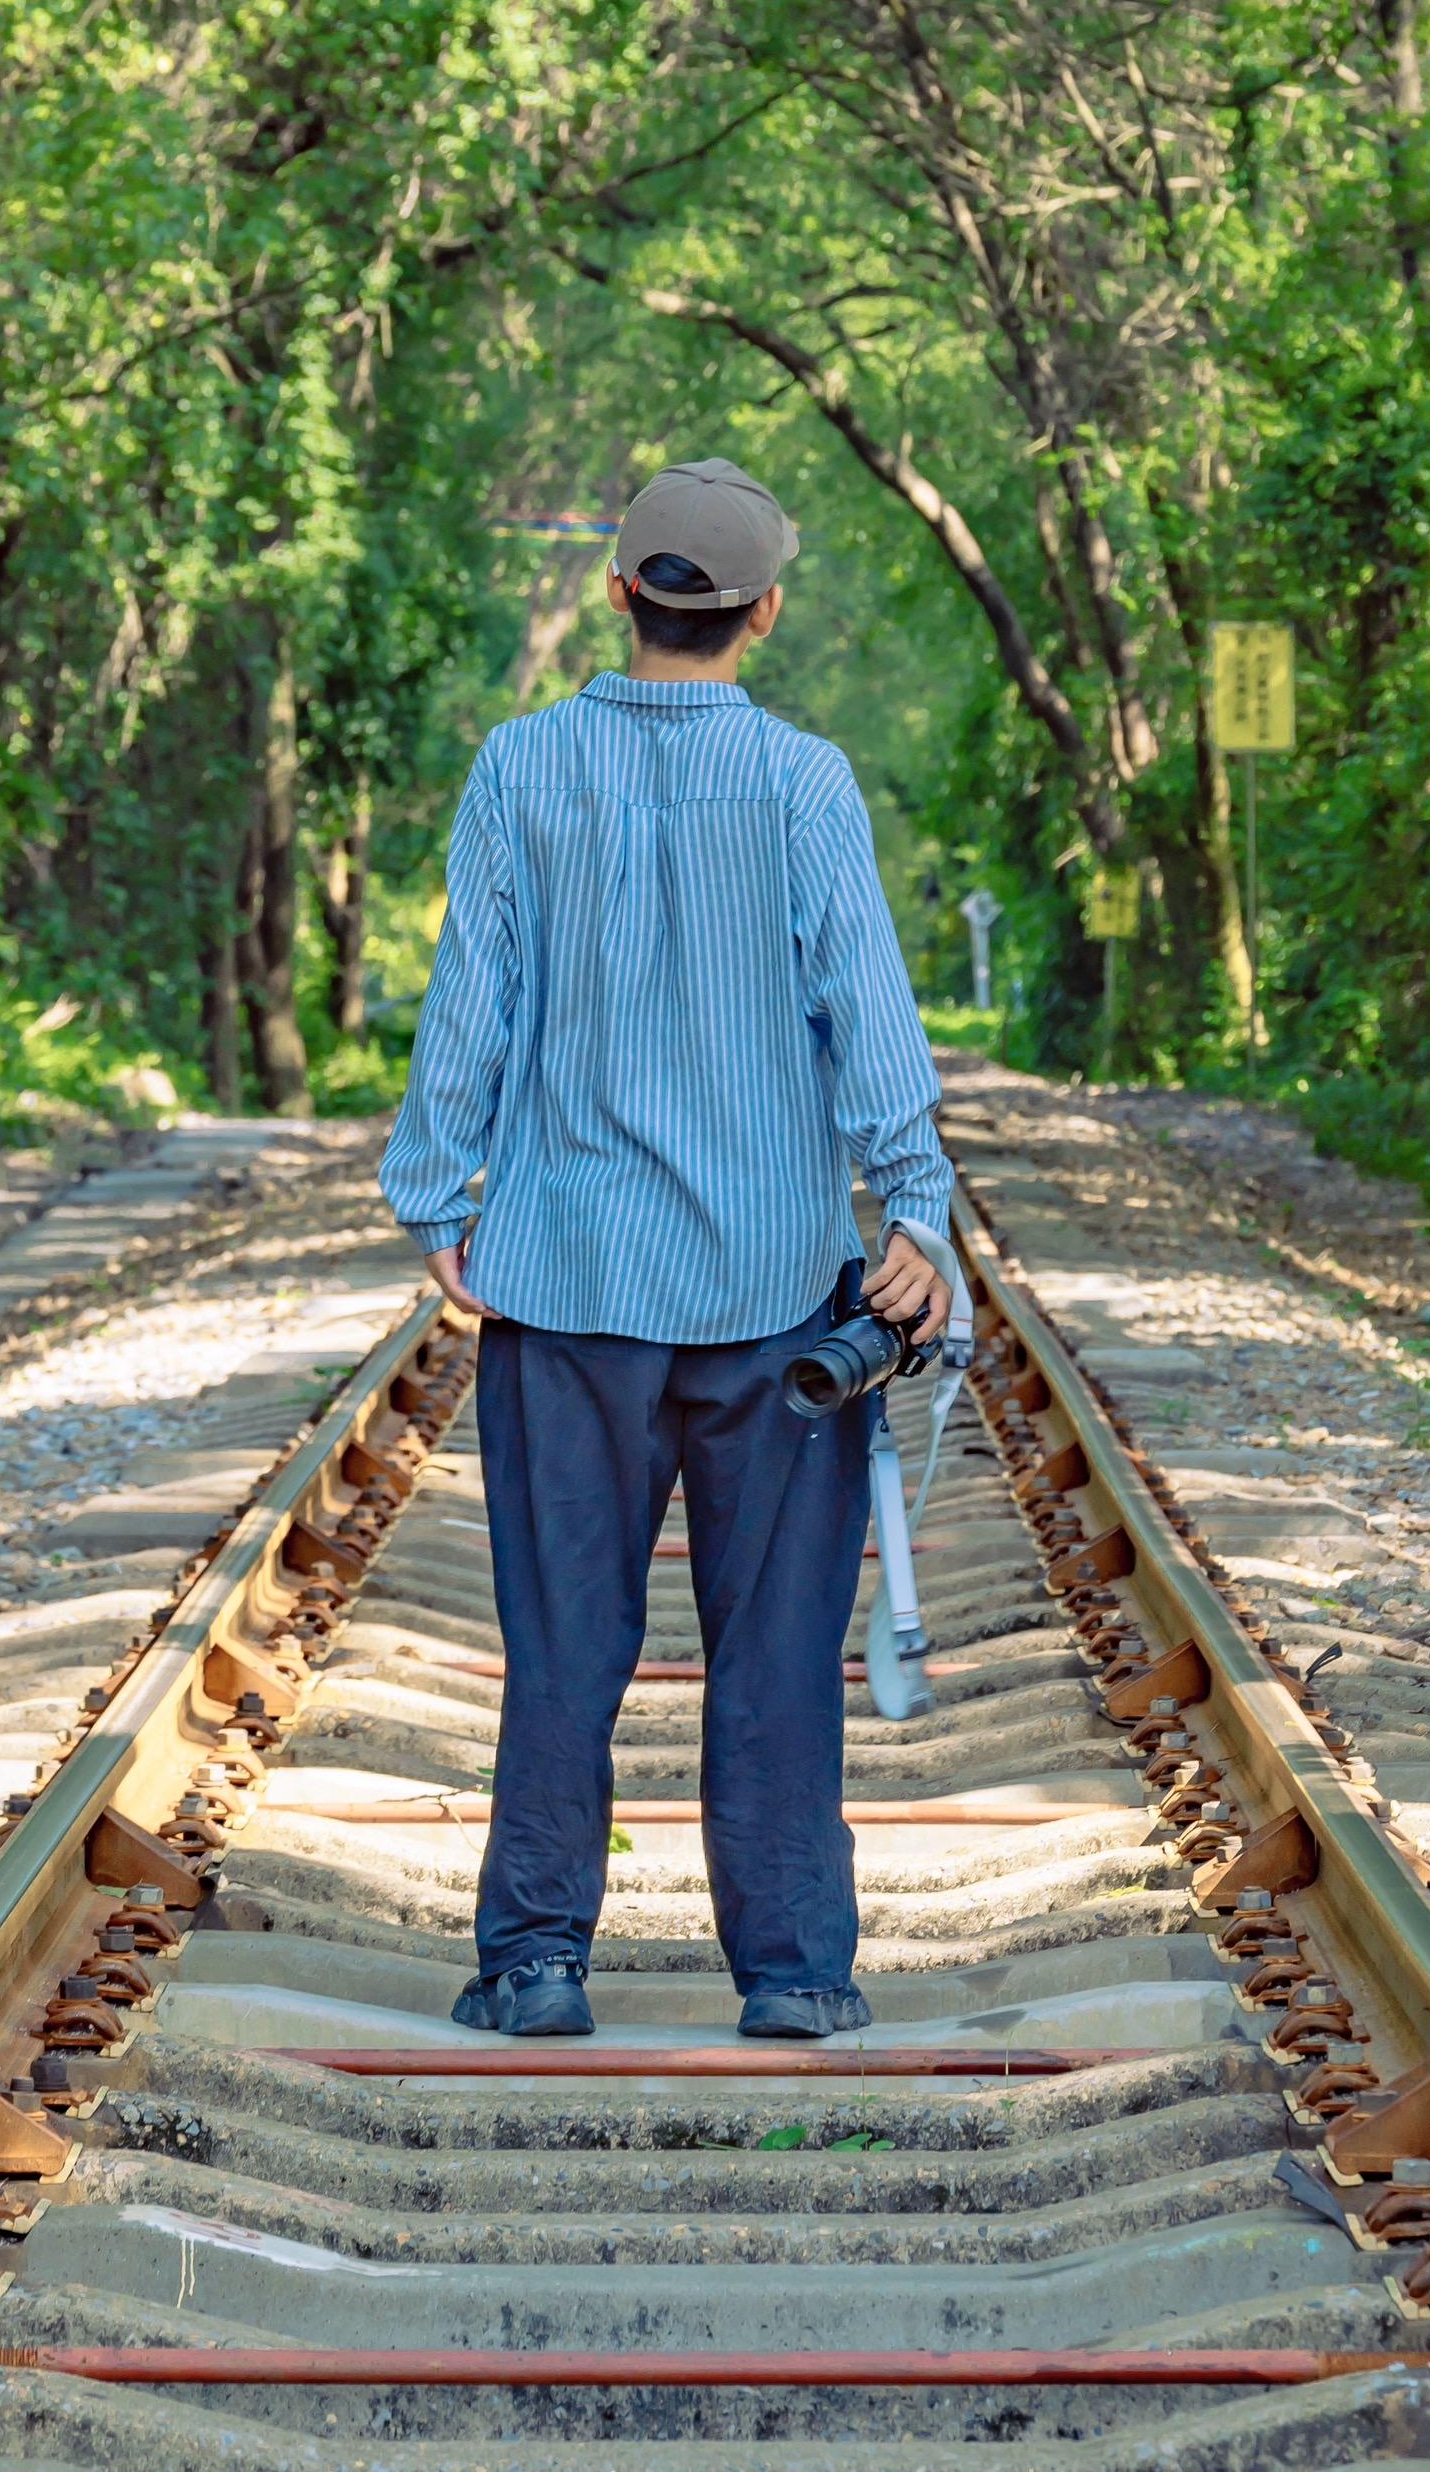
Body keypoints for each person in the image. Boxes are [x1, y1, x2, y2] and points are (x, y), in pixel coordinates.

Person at [379, 456, 955, 2040]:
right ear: (763, 613)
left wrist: (441, 1198)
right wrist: (914, 1211)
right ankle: (793, 1974)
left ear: (620, 591)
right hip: (776, 1291)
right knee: (774, 1650)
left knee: (565, 1636)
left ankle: (538, 1963)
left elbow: (472, 1004)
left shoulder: (520, 769)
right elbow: (869, 1021)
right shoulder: (802, 783)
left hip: (565, 1286)